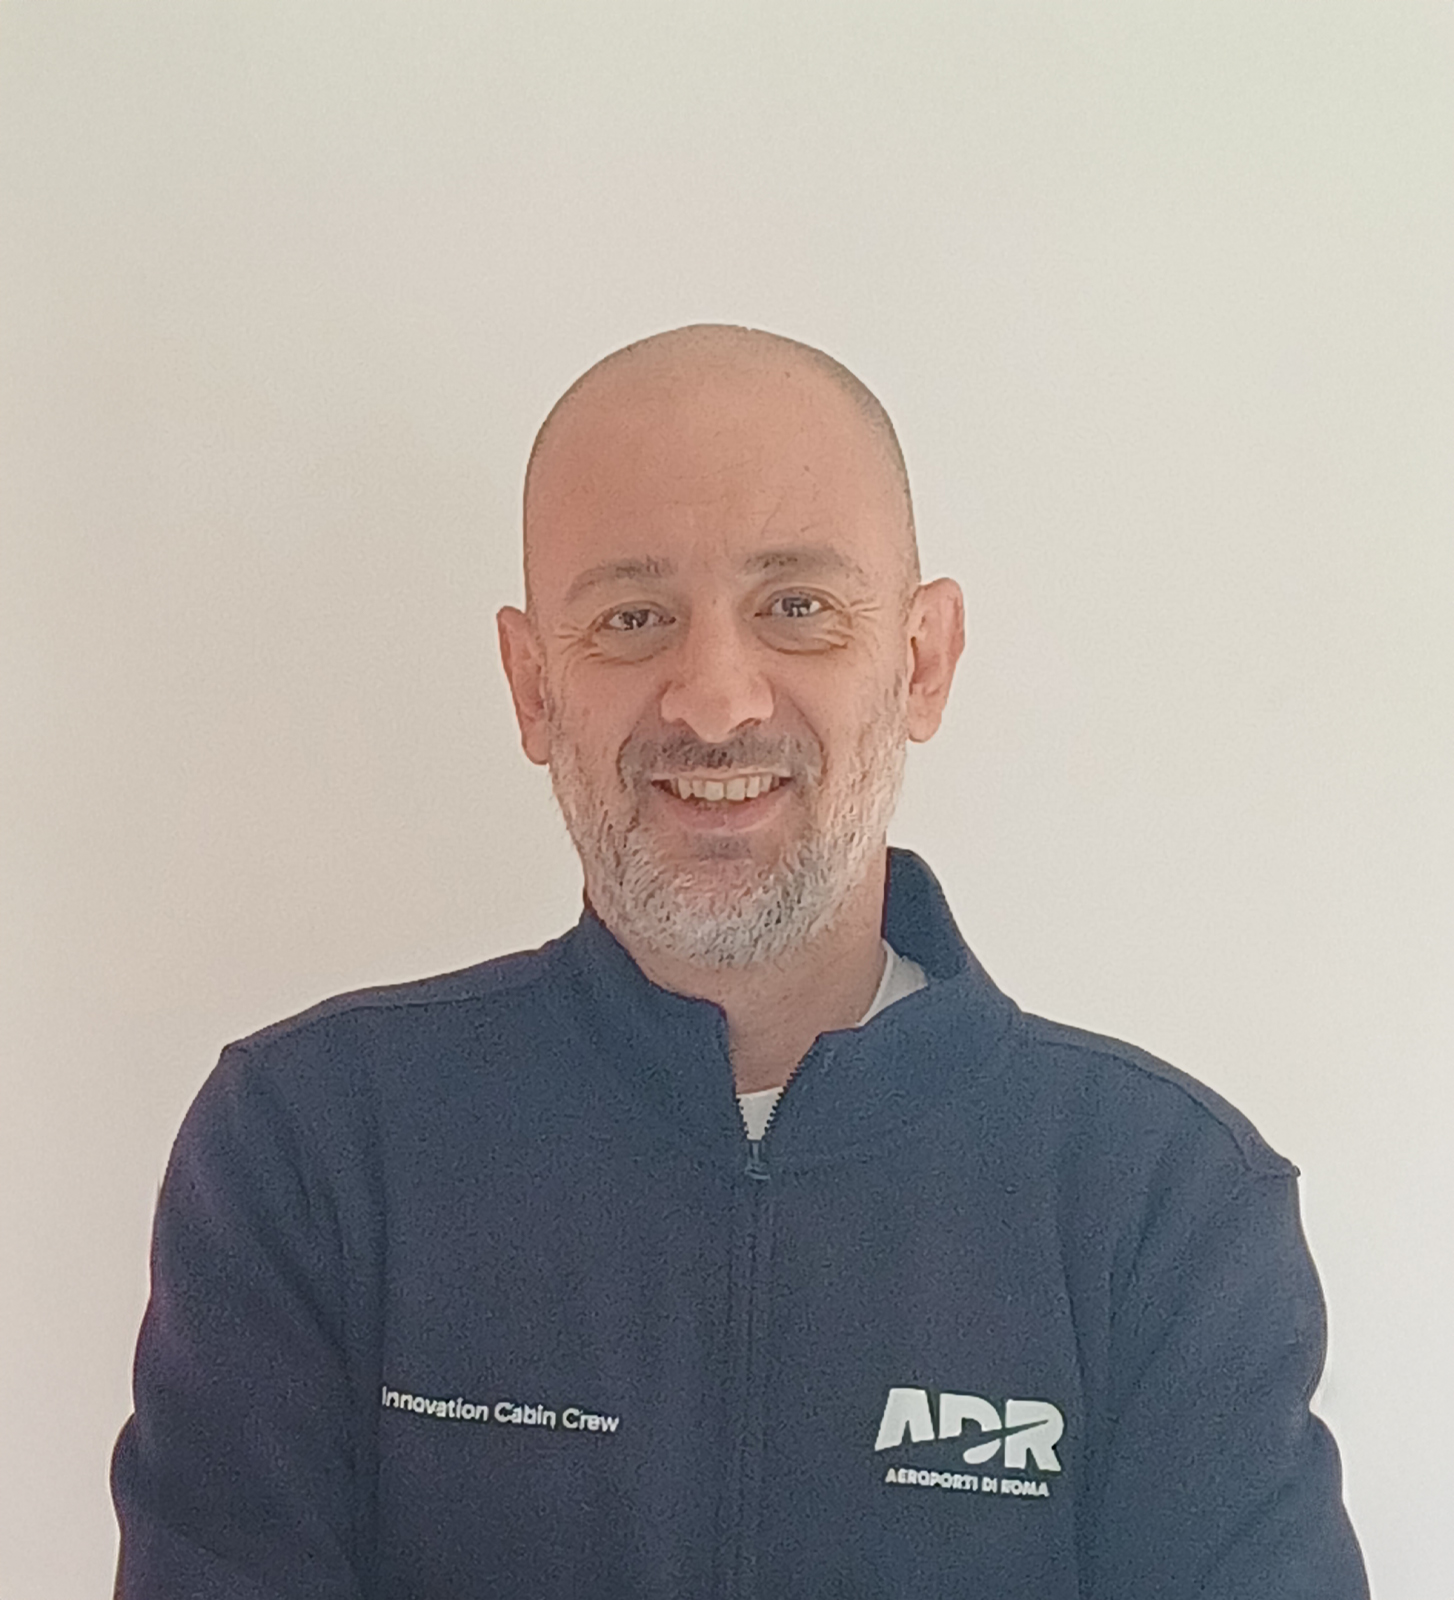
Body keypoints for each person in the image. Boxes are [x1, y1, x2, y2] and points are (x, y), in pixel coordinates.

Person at [112, 325, 1368, 1598]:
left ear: (921, 661)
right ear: (532, 685)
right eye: (632, 617)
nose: (715, 700)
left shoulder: (1159, 1205)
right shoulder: (314, 1150)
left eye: (796, 608)